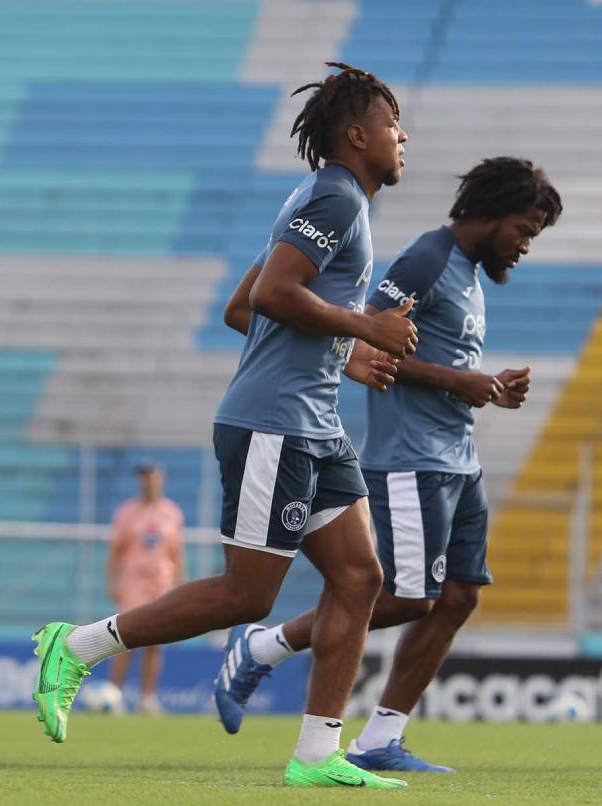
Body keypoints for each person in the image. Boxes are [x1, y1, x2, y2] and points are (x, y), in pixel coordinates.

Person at [31, 62, 418, 790]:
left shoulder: (321, 200)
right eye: (396, 126)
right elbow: (271, 293)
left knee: (360, 576)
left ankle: (316, 755)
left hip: (313, 420)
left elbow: (243, 307)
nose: (406, 139)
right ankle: (77, 646)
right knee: (248, 597)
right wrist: (363, 324)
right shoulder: (334, 199)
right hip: (274, 424)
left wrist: (344, 354)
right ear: (359, 135)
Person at [212, 158, 562, 772]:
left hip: (458, 457)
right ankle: (264, 647)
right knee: (404, 596)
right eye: (523, 230)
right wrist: (460, 379)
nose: (525, 246)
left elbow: (431, 356)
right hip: (409, 459)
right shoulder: (428, 259)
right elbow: (368, 340)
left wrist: (486, 388)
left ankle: (379, 741)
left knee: (457, 597)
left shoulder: (468, 274)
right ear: (489, 213)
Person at [103, 461, 185, 714]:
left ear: (161, 479)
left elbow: (175, 552)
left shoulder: (171, 512)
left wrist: (180, 584)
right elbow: (116, 550)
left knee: (155, 641)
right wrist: (112, 580)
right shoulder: (127, 512)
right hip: (133, 582)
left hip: (161, 583)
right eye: (144, 478)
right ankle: (114, 693)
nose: (148, 482)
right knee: (125, 638)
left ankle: (147, 698)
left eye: (153, 477)